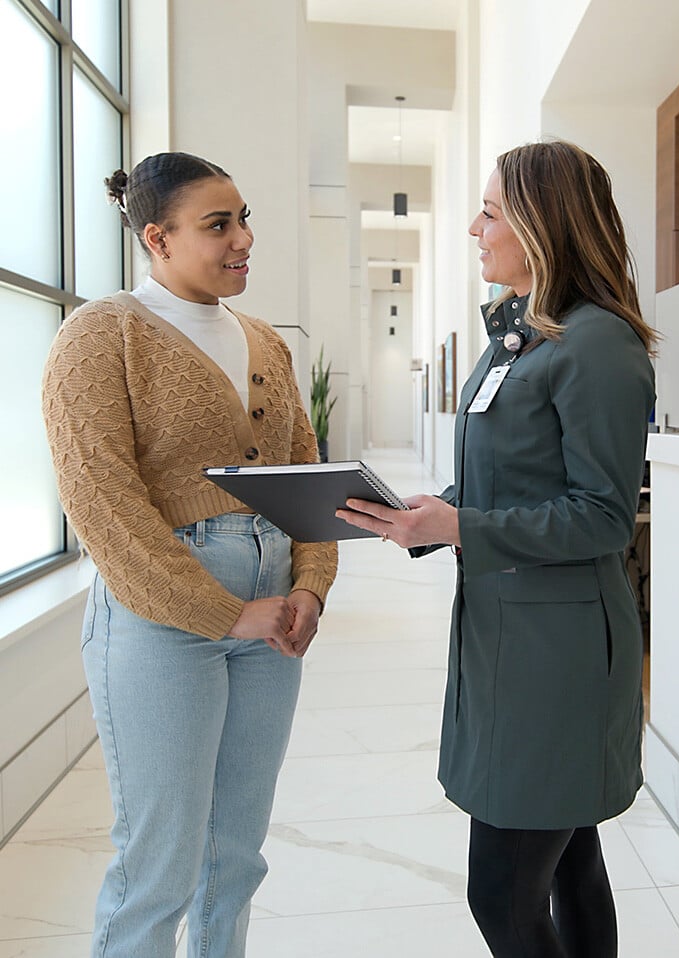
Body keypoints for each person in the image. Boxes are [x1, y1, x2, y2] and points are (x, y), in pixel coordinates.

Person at [336, 139, 657, 957]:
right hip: (507, 633)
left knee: (503, 891)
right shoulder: (519, 338)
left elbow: (602, 516)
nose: (475, 228)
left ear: (544, 224)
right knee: (572, 858)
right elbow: (512, 480)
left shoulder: (597, 345)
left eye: (490, 211)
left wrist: (461, 527)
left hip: (559, 649)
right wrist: (434, 509)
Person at [41, 152, 338, 958]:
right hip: (160, 620)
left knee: (235, 858)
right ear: (157, 238)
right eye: (218, 225)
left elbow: (307, 477)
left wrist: (309, 586)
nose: (243, 239)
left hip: (274, 620)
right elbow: (101, 503)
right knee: (159, 868)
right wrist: (223, 611)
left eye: (245, 219)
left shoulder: (264, 340)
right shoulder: (100, 335)